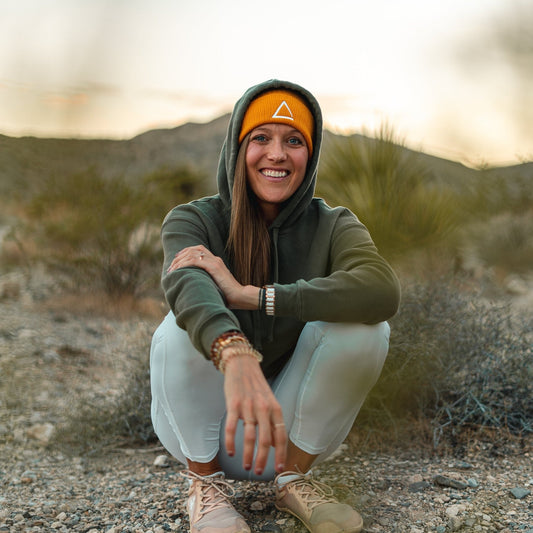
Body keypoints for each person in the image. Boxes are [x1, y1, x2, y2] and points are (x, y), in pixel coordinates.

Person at [150, 79, 401, 533]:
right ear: (238, 146)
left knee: (368, 327)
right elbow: (187, 285)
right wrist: (234, 351)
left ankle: (293, 481)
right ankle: (205, 490)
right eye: (261, 138)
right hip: (205, 427)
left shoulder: (335, 224)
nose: (277, 154)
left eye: (294, 141)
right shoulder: (194, 219)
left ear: (311, 152)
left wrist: (258, 297)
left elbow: (381, 289)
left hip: (290, 432)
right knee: (177, 325)